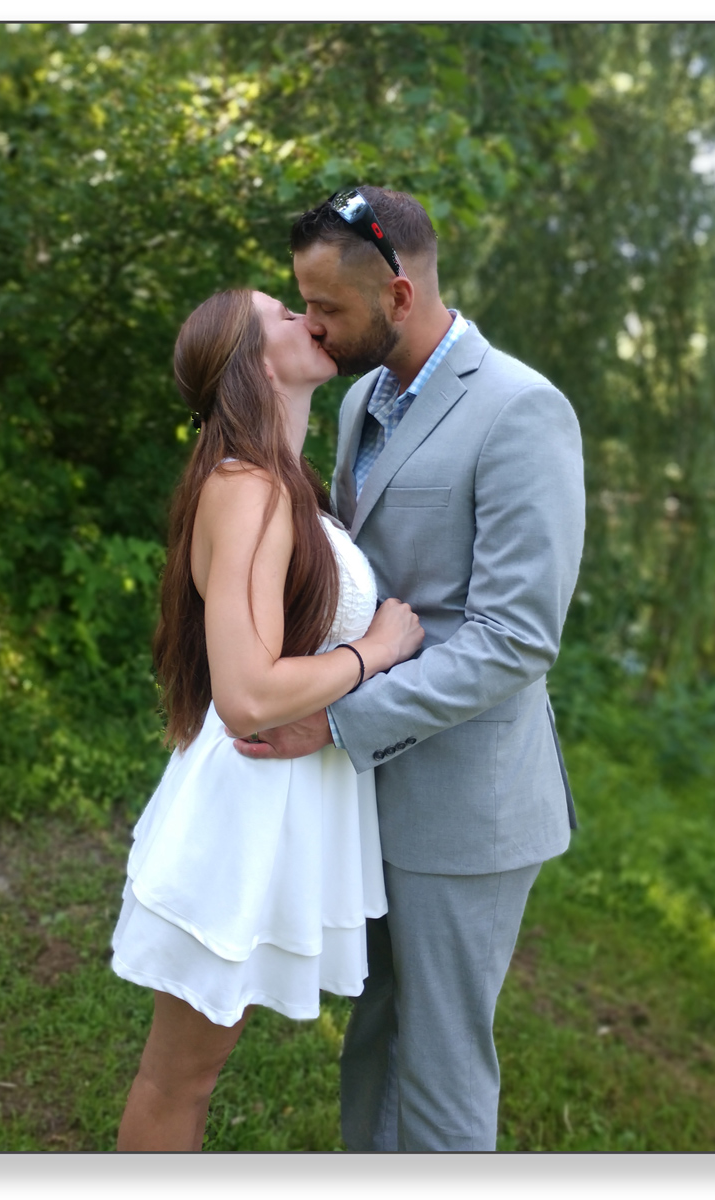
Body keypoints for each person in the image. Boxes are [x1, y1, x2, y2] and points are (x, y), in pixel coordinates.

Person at [234, 187, 586, 1151]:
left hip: (465, 805)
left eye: (327, 309)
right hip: (370, 792)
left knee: (439, 1068)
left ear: (397, 294)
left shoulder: (521, 409)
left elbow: (514, 639)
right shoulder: (359, 398)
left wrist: (339, 719)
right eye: (301, 304)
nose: (311, 325)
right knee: (375, 1041)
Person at [110, 287, 424, 1152]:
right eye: (281, 314)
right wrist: (378, 650)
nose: (306, 317)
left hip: (277, 807)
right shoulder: (246, 488)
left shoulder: (279, 484)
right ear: (250, 361)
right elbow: (246, 694)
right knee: (179, 1079)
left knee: (192, 1075)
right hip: (243, 812)